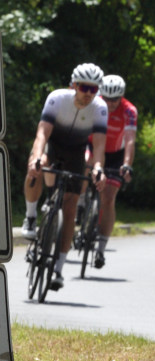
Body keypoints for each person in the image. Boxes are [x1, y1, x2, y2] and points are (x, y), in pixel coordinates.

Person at [23, 63, 109, 292]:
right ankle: (31, 216)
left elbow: (99, 145)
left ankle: (58, 269)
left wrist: (98, 167)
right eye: (84, 87)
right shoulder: (57, 98)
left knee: (70, 208)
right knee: (36, 166)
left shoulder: (100, 108)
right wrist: (37, 157)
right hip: (53, 145)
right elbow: (42, 133)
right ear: (74, 85)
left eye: (93, 89)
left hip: (76, 152)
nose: (88, 93)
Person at [90, 74, 137, 269]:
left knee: (108, 199)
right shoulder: (94, 103)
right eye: (107, 98)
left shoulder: (129, 111)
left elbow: (130, 139)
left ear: (121, 96)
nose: (110, 103)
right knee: (82, 170)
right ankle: (82, 202)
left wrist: (126, 164)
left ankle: (101, 249)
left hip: (116, 154)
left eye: (115, 99)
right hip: (93, 148)